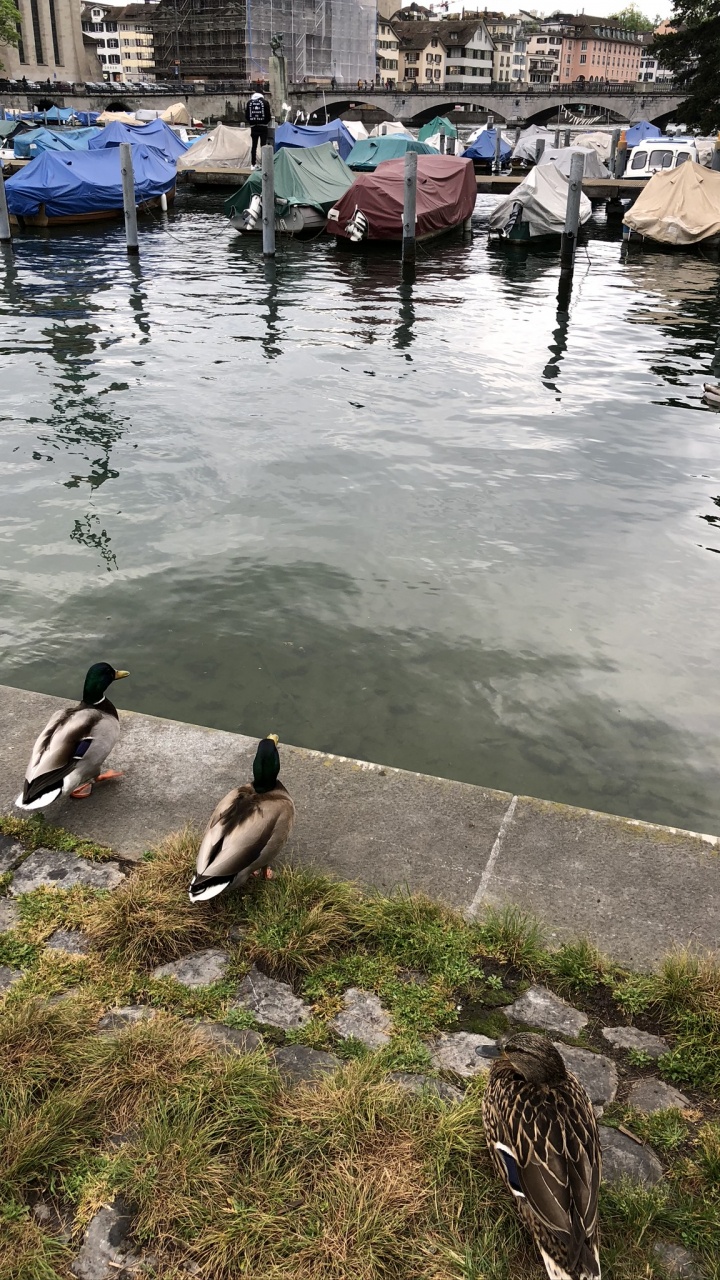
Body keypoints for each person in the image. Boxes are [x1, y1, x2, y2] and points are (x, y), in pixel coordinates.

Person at [245, 91, 272, 167]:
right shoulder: (265, 102)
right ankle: (263, 164)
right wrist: (265, 122)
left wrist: (251, 122)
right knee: (263, 145)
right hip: (263, 126)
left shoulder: (249, 103)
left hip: (254, 127)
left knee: (254, 146)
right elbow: (268, 115)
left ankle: (253, 164)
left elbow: (247, 115)